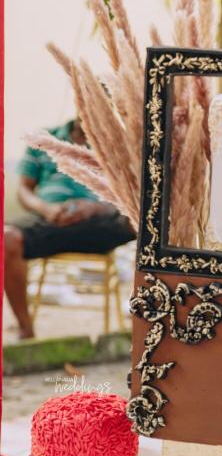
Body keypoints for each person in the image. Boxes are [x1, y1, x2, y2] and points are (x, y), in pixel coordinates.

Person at [4, 118, 135, 339]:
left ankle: (140, 325)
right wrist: (47, 210)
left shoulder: (117, 145)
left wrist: (97, 208)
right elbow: (24, 190)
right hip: (51, 221)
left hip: (99, 225)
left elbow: (131, 196)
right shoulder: (44, 139)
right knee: (6, 238)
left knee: (142, 225)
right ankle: (26, 329)